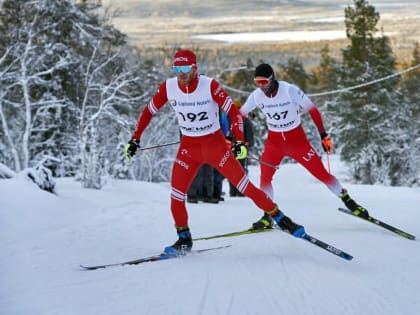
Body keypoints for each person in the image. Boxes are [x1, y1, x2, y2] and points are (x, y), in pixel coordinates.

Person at [124, 50, 305, 256]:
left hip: (215, 146)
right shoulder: (169, 87)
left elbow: (234, 112)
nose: (180, 73)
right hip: (189, 148)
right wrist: (135, 138)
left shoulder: (209, 85)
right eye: (176, 69)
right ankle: (184, 239)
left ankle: (282, 219)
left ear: (195, 68)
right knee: (176, 195)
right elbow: (148, 111)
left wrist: (239, 140)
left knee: (245, 187)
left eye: (184, 68)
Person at [240, 63, 369, 230]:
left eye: (264, 82)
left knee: (321, 173)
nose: (261, 86)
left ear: (272, 79)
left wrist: (323, 135)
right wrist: (236, 138)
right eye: (257, 82)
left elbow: (313, 110)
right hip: (274, 143)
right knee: (264, 178)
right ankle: (268, 215)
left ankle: (349, 201)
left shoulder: (289, 90)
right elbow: (240, 115)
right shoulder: (256, 96)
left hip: (297, 141)